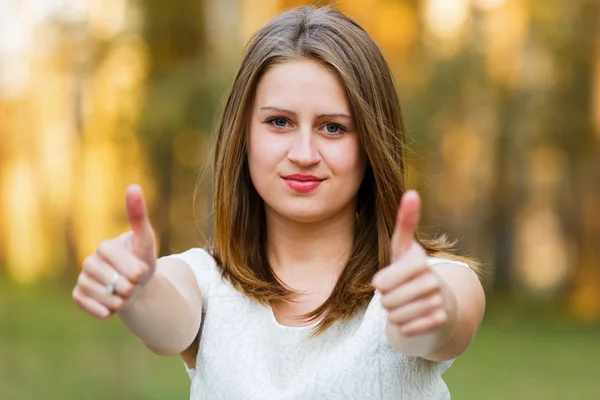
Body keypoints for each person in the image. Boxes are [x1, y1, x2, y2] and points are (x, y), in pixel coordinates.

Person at [72, 5, 485, 400]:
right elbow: (167, 323)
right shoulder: (202, 282)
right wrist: (137, 289)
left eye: (333, 127)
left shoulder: (438, 282)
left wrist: (425, 309)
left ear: (371, 145)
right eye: (279, 122)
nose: (304, 152)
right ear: (244, 136)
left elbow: (438, 325)